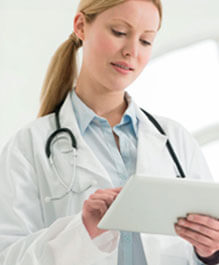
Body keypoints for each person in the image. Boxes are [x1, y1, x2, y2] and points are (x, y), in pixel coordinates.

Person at [0, 0, 219, 264]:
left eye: (146, 41)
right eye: (119, 32)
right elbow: (7, 256)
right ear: (81, 26)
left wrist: (208, 251)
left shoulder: (176, 141)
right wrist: (82, 231)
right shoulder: (28, 146)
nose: (131, 51)